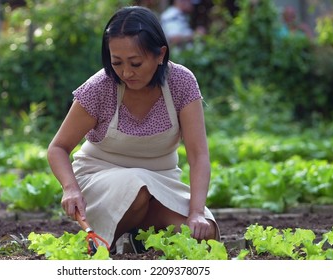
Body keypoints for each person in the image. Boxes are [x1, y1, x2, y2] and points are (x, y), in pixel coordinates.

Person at [47, 6, 219, 254]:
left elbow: (198, 155)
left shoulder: (182, 82)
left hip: (161, 184)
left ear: (160, 54)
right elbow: (58, 148)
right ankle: (105, 243)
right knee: (136, 188)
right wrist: (70, 188)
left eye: (135, 63)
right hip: (102, 179)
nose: (126, 73)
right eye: (117, 62)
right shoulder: (99, 87)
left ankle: (137, 237)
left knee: (203, 234)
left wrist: (196, 213)